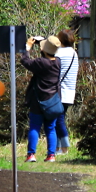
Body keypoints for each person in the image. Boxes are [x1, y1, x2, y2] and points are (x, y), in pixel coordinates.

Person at [21, 34, 62, 162]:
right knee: (50, 128)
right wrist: (44, 49)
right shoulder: (58, 62)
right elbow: (48, 57)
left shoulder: (41, 62)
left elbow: (25, 61)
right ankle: (51, 155)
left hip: (38, 100)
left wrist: (28, 46)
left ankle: (31, 154)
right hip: (52, 100)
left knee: (34, 127)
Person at [55, 29, 79, 155]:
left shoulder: (58, 53)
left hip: (58, 91)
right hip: (70, 91)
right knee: (59, 118)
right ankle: (58, 147)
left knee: (58, 120)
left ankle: (63, 147)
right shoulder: (74, 53)